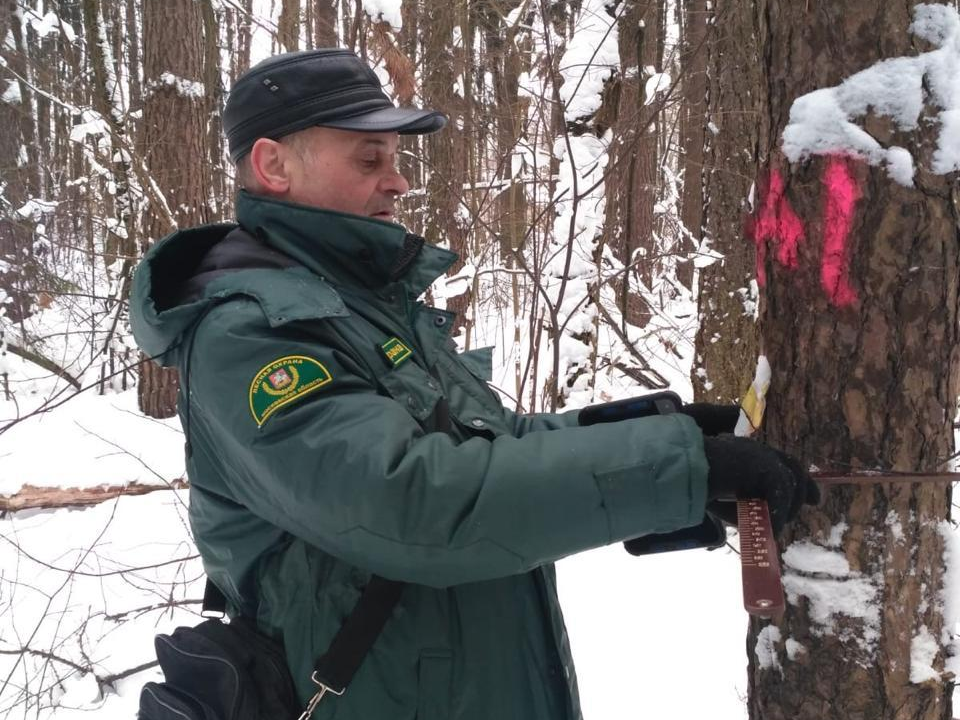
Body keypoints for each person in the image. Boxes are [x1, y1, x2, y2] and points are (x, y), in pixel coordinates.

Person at [130, 48, 818, 720]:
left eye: (396, 160)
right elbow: (413, 499)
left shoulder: (363, 304)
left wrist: (673, 437)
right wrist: (677, 471)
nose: (398, 182)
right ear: (273, 164)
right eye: (369, 159)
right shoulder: (249, 336)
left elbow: (491, 442)